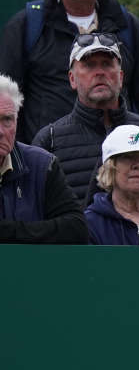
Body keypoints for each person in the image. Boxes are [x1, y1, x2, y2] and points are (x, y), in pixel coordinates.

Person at [0, 0, 139, 142]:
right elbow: (7, 102)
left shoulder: (126, 26)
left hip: (119, 157)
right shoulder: (27, 26)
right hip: (48, 159)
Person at [31, 34, 139, 203]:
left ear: (121, 77)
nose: (99, 72)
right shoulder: (49, 141)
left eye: (107, 64)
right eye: (89, 65)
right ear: (72, 79)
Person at [0, 74, 85, 244]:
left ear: (17, 121)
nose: (0, 132)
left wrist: (10, 232)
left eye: (7, 120)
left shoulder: (42, 165)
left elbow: (77, 228)